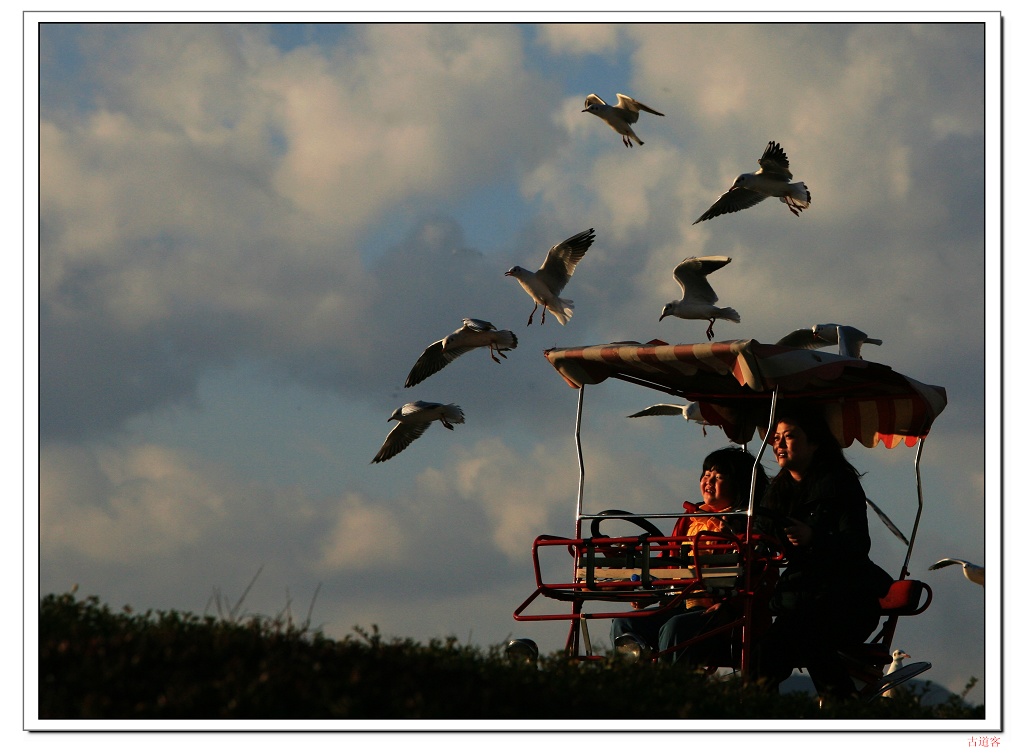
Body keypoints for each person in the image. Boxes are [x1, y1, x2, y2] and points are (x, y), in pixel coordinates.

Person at [751, 403, 886, 701]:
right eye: (776, 437)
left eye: (789, 436)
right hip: (800, 603)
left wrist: (814, 538)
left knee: (810, 634)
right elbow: (759, 539)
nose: (779, 443)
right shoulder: (776, 493)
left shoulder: (839, 483)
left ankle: (843, 709)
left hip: (848, 601)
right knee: (760, 658)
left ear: (814, 442)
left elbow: (857, 545)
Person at [610, 446, 769, 667]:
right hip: (683, 603)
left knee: (675, 628)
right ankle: (636, 685)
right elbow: (670, 565)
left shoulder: (751, 524)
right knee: (625, 624)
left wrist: (732, 606)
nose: (708, 481)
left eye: (718, 476)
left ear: (739, 485)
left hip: (724, 611)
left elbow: (761, 574)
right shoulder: (690, 520)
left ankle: (672, 691)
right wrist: (652, 591)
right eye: (706, 475)